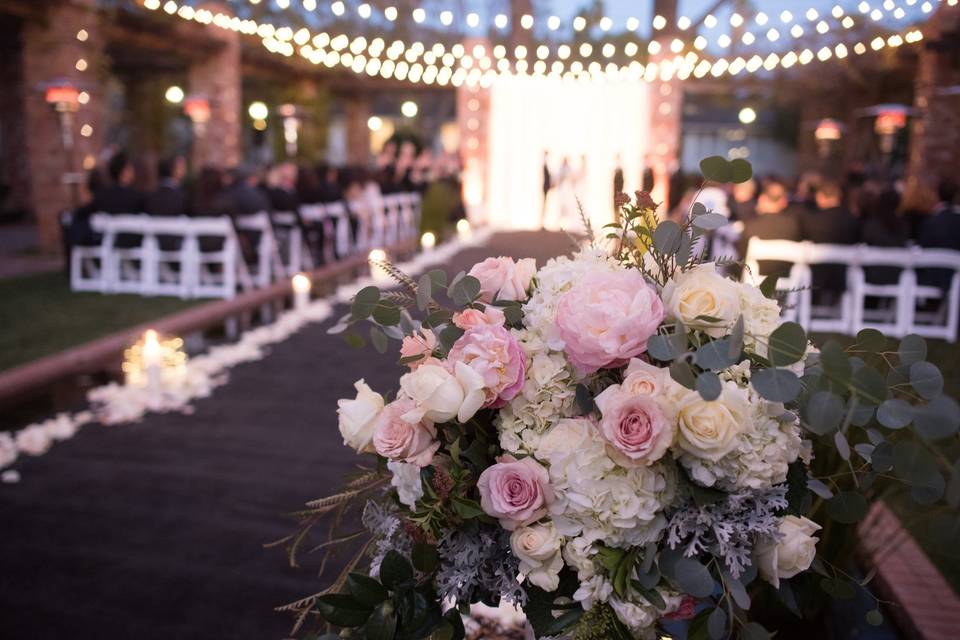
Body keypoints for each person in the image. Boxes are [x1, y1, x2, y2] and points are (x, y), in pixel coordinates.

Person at [800, 180, 860, 301]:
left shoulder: (813, 220)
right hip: (843, 277)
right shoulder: (853, 219)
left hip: (815, 278)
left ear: (820, 197)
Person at [738, 178, 802, 278]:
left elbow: (741, 256)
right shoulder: (794, 225)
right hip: (785, 278)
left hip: (754, 279)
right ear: (784, 202)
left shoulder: (751, 226)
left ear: (761, 198)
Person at [918, 180, 960, 292]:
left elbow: (923, 248)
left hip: (933, 277)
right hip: (955, 276)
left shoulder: (930, 221)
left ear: (938, 196)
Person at [541, 150, 551, 229]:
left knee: (545, 205)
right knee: (544, 205)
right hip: (545, 187)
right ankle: (542, 222)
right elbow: (547, 177)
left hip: (546, 187)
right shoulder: (544, 164)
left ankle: (543, 222)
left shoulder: (546, 164)